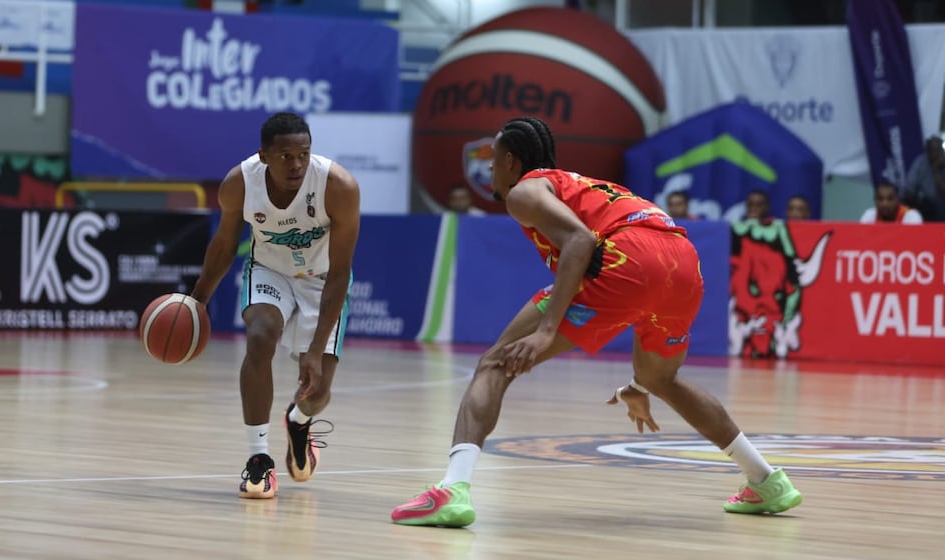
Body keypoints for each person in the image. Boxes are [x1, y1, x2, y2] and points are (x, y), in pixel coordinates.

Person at [390, 116, 801, 528]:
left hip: (629, 258)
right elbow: (627, 253)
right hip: (683, 260)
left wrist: (547, 330)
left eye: (494, 162)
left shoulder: (524, 192)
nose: (491, 171)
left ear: (512, 162)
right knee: (663, 379)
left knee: (495, 364)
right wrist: (638, 385)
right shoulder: (583, 185)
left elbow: (581, 241)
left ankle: (453, 490)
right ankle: (766, 480)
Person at [190, 112, 360, 499]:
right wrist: (198, 300)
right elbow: (224, 244)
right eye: (286, 156)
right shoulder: (240, 183)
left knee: (317, 393)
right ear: (264, 155)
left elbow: (340, 274)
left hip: (322, 280)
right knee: (261, 336)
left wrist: (315, 351)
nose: (297, 163)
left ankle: (299, 422)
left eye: (303, 153)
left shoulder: (339, 187)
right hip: (269, 270)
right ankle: (258, 458)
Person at [903, 135, 944, 221]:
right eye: (931, 150)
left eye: (936, 150)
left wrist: (937, 170)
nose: (933, 153)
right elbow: (910, 189)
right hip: (924, 202)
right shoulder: (920, 162)